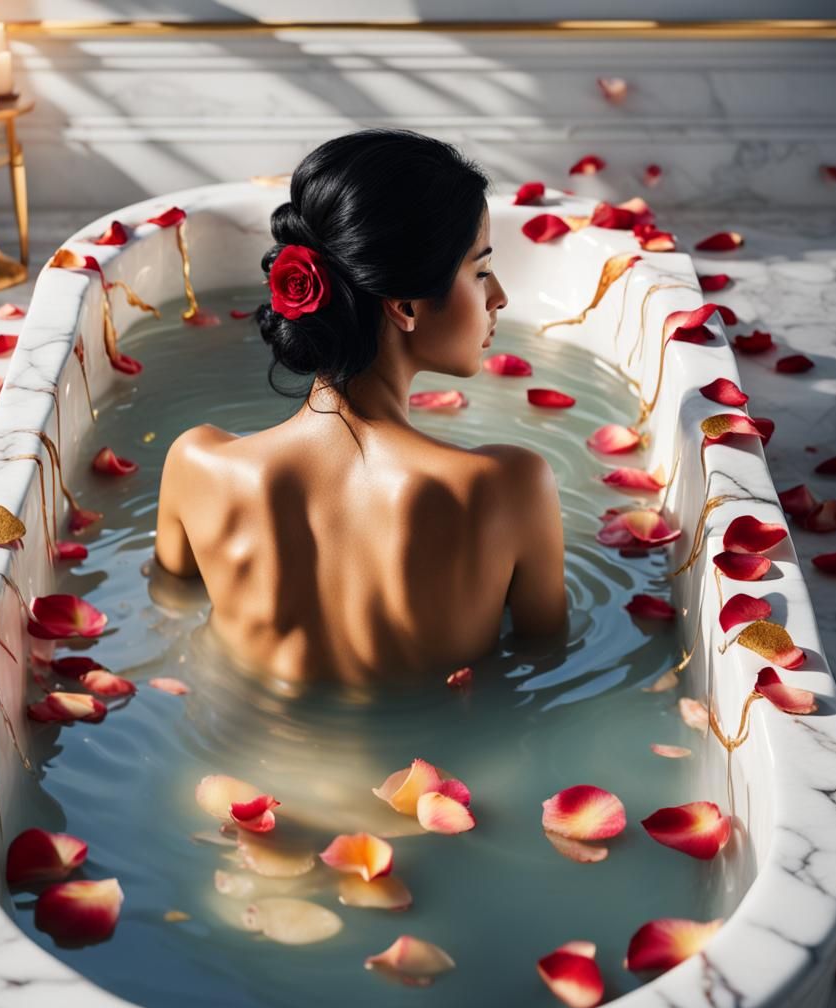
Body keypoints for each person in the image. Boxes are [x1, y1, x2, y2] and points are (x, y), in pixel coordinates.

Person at [153, 127, 567, 688]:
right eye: (480, 270)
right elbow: (547, 659)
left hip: (239, 762)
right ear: (404, 306)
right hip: (432, 772)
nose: (499, 298)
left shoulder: (196, 465)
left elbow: (169, 615)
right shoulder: (508, 489)